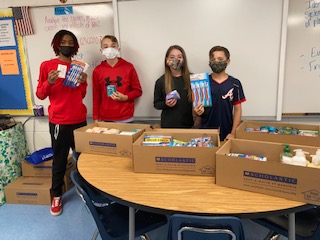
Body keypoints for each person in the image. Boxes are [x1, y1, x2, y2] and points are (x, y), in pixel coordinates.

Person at [36, 29, 88, 216]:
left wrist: (83, 82)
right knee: (59, 160)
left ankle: (87, 192)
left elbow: (81, 95)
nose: (67, 45)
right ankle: (56, 196)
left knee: (82, 159)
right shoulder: (47, 66)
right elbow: (41, 94)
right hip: (59, 121)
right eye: (64, 42)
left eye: (71, 42)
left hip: (80, 120)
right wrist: (49, 82)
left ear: (75, 46)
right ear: (57, 44)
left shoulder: (78, 66)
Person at [194, 46, 246, 141]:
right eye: (213, 59)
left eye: (220, 59)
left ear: (228, 61)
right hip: (205, 133)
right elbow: (198, 111)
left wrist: (233, 133)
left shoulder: (235, 83)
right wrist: (197, 112)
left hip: (227, 133)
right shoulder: (201, 83)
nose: (216, 61)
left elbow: (238, 110)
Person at [92, 35, 142, 123]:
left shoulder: (128, 67)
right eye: (105, 47)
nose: (109, 49)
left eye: (113, 46)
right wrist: (96, 118)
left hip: (126, 118)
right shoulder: (97, 71)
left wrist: (125, 97)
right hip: (105, 119)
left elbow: (138, 91)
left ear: (118, 49)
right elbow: (96, 96)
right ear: (101, 50)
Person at [153, 45, 194, 128]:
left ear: (184, 60)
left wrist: (199, 118)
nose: (176, 60)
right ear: (167, 60)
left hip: (188, 125)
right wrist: (166, 104)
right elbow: (156, 104)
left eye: (179, 57)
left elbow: (199, 102)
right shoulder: (161, 81)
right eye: (172, 57)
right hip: (168, 126)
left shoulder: (193, 79)